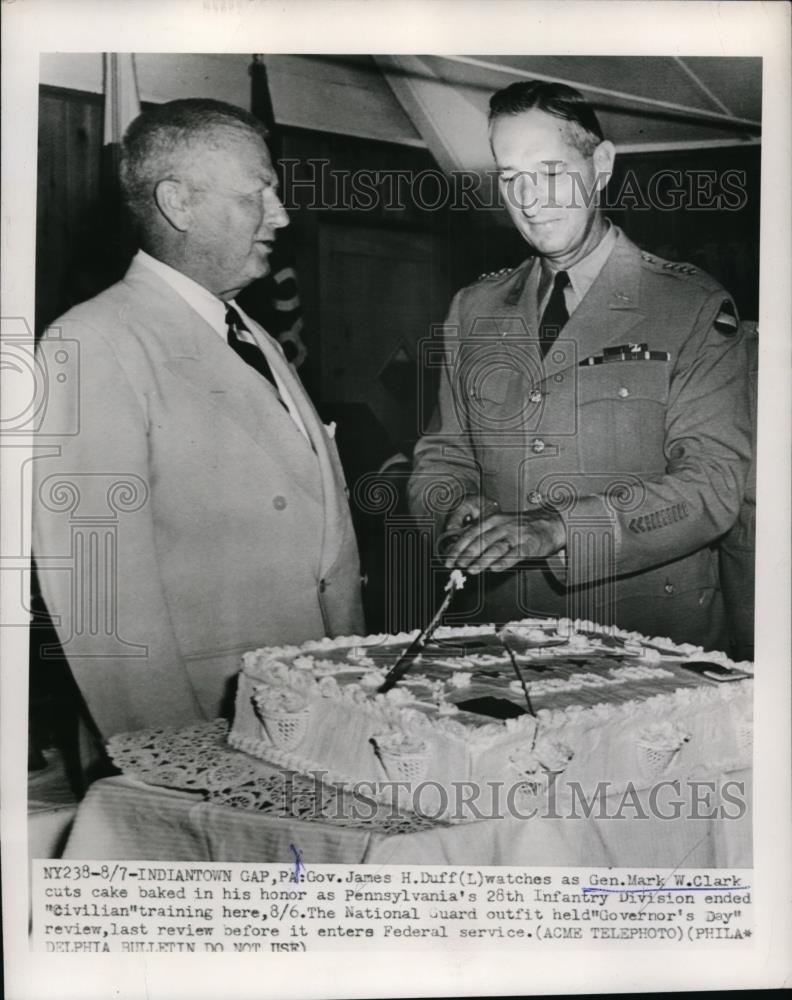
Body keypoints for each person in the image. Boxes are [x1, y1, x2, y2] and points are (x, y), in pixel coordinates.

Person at [33, 99, 364, 739]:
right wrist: (171, 758)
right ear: (178, 204)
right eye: (257, 195)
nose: (282, 215)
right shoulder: (95, 342)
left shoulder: (248, 332)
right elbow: (100, 593)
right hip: (215, 725)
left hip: (312, 709)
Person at [408, 81, 751, 651]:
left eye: (549, 171)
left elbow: (713, 485)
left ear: (602, 165)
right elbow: (443, 456)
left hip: (645, 638)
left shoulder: (690, 305)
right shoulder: (475, 308)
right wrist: (453, 509)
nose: (530, 199)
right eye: (510, 177)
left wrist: (558, 528)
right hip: (501, 633)